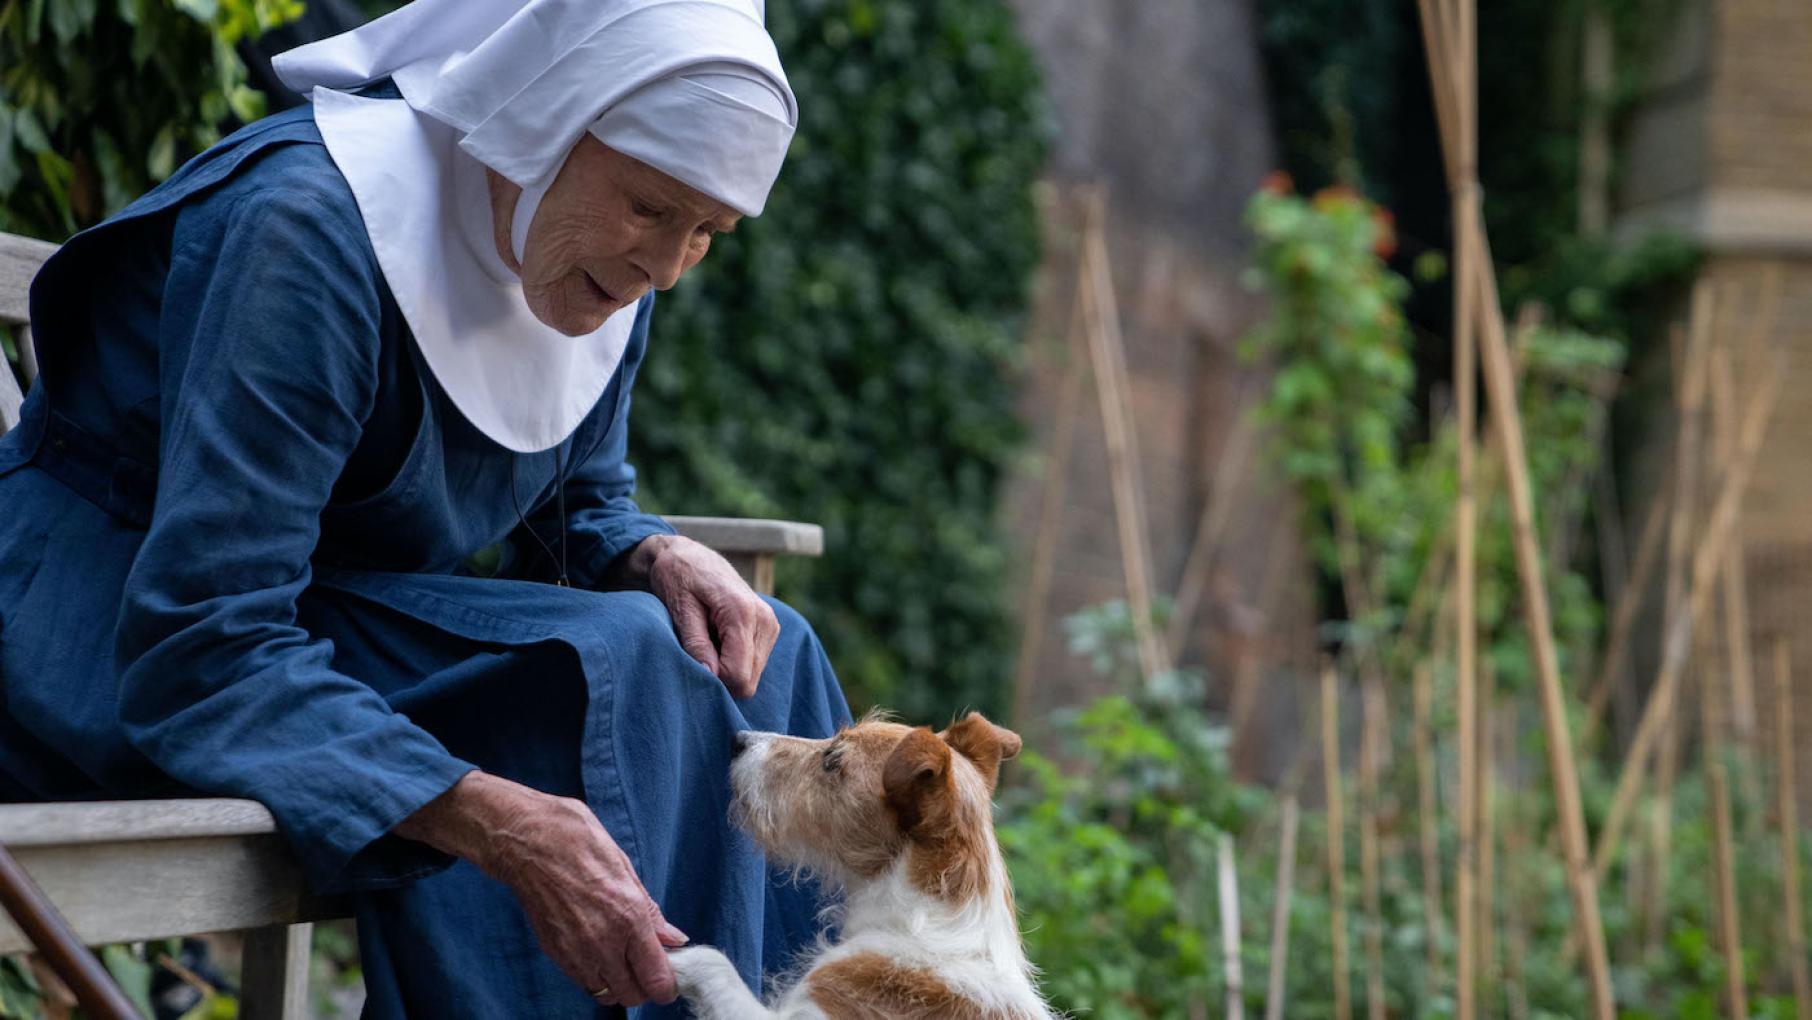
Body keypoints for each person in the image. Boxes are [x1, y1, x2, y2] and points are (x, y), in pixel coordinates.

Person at [0, 1, 852, 1015]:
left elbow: (580, 506)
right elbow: (202, 637)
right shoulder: (310, 233)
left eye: (709, 231)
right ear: (543, 123)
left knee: (764, 651)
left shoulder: (594, 258)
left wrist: (649, 550)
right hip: (110, 638)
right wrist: (492, 818)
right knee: (603, 675)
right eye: (650, 209)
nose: (665, 267)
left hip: (311, 623)